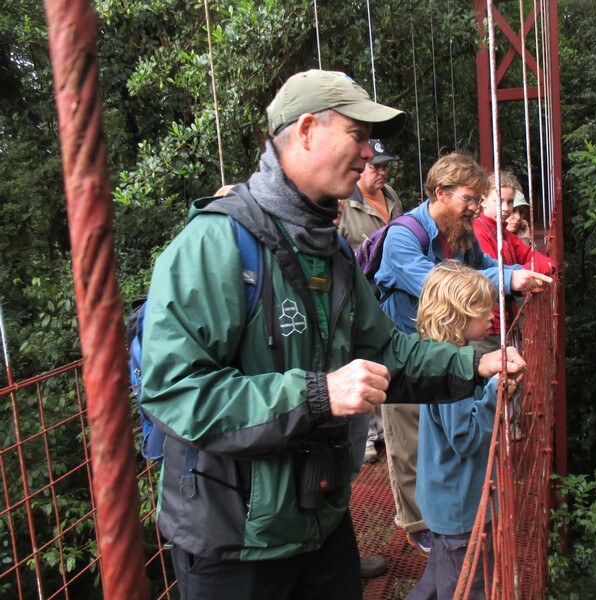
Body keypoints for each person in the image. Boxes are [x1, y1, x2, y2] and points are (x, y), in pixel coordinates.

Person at [140, 69, 525, 600]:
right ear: (304, 131)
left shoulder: (331, 249)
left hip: (319, 520)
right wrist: (319, 393)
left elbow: (388, 350)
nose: (370, 154)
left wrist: (472, 365)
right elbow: (173, 391)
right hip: (233, 543)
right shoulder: (215, 246)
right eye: (357, 135)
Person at [374, 153, 551, 556]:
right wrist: (507, 279)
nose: (476, 208)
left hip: (445, 345)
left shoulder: (460, 231)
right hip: (404, 350)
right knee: (408, 436)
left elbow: (484, 265)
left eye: (478, 200)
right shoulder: (403, 237)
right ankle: (417, 522)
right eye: (470, 199)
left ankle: (439, 517)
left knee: (434, 432)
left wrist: (509, 274)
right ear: (440, 192)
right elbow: (442, 287)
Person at [408, 261, 508, 600]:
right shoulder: (453, 370)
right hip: (460, 509)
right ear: (458, 317)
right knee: (466, 586)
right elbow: (464, 438)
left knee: (439, 575)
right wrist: (497, 391)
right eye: (482, 310)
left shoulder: (440, 357)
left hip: (442, 498)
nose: (492, 315)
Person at [339, 138, 403, 466]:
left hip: (388, 294)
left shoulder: (390, 196)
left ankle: (384, 431)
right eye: (375, 166)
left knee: (385, 357)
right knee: (359, 360)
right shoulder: (344, 204)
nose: (382, 172)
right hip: (357, 294)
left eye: (385, 166)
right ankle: (366, 437)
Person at [472, 170, 556, 353]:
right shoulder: (478, 232)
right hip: (487, 327)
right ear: (483, 199)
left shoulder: (504, 234)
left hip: (505, 323)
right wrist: (520, 274)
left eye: (510, 202)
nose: (506, 208)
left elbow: (548, 263)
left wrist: (520, 273)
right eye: (499, 201)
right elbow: (495, 274)